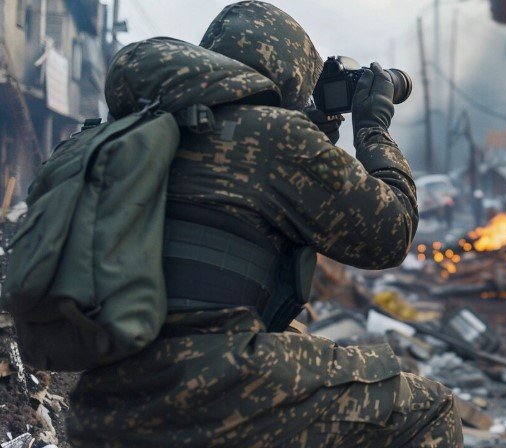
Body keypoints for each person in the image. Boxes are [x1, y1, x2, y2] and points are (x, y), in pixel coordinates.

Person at [67, 2, 461, 447]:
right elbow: (392, 234)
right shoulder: (275, 139)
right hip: (209, 392)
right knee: (432, 408)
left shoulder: (119, 136)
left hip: (103, 401)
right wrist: (373, 127)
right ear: (292, 73)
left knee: (292, 332)